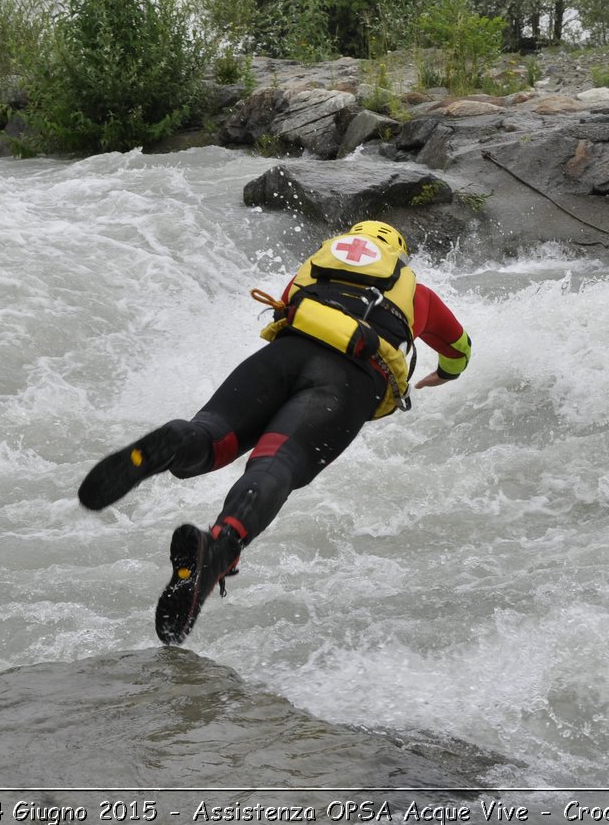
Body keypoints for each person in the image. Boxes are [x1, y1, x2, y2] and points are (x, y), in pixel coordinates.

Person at [78, 220, 473, 645]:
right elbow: (460, 349)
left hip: (284, 356)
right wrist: (443, 375)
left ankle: (175, 441)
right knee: (277, 463)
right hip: (349, 378)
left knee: (211, 436)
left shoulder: (315, 268)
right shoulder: (418, 294)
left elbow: (286, 308)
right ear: (397, 255)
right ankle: (221, 543)